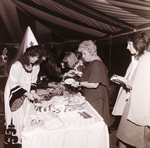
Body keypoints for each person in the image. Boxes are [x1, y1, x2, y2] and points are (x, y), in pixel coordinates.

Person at [111, 32, 150, 148]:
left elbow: (142, 86)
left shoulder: (146, 60)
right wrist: (123, 80)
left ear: (136, 44)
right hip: (131, 104)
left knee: (135, 141)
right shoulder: (137, 59)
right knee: (125, 138)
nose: (127, 47)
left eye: (129, 44)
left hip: (139, 106)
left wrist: (125, 82)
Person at [4, 45, 41, 148]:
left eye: (38, 57)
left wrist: (33, 92)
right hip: (14, 94)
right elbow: (13, 84)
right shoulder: (17, 66)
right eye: (33, 56)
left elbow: (33, 81)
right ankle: (16, 143)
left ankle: (25, 142)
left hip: (26, 94)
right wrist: (27, 93)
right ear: (28, 54)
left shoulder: (36, 66)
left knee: (25, 118)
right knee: (16, 119)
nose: (35, 59)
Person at [71, 40, 110, 126]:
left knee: (95, 122)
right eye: (82, 54)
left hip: (96, 97)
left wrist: (79, 83)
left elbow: (94, 84)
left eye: (85, 54)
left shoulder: (96, 64)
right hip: (93, 96)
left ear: (92, 52)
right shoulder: (93, 62)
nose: (83, 57)